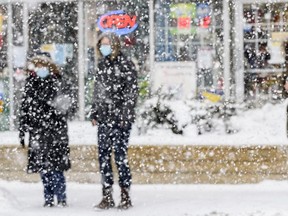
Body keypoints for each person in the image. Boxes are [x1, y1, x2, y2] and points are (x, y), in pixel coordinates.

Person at [19, 52, 74, 207]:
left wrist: (53, 109)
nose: (41, 69)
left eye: (44, 65)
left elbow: (65, 108)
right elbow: (25, 110)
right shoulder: (31, 85)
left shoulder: (58, 83)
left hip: (56, 132)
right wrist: (23, 130)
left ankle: (61, 197)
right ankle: (48, 198)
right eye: (38, 66)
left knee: (57, 167)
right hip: (38, 132)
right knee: (44, 168)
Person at [90, 32, 138, 210]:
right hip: (104, 118)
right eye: (102, 44)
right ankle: (107, 195)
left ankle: (125, 195)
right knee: (103, 157)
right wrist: (94, 112)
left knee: (120, 157)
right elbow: (98, 91)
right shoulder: (102, 66)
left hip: (120, 120)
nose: (104, 47)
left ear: (115, 45)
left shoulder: (125, 65)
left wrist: (125, 114)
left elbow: (131, 92)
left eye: (107, 44)